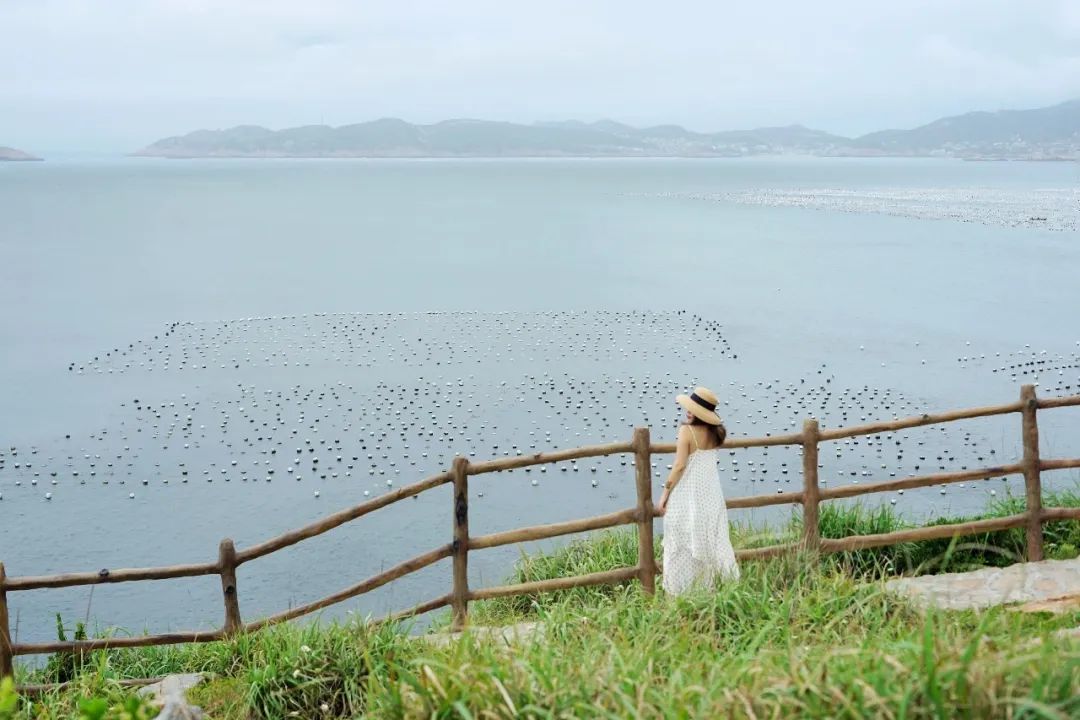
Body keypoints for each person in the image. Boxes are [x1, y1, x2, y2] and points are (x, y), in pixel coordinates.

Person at [657, 386, 740, 594]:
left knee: (680, 547)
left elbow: (679, 466)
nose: (688, 411)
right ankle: (708, 590)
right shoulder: (715, 435)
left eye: (692, 408)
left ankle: (680, 593)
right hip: (711, 497)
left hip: (687, 496)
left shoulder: (686, 431)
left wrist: (665, 492)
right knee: (709, 543)